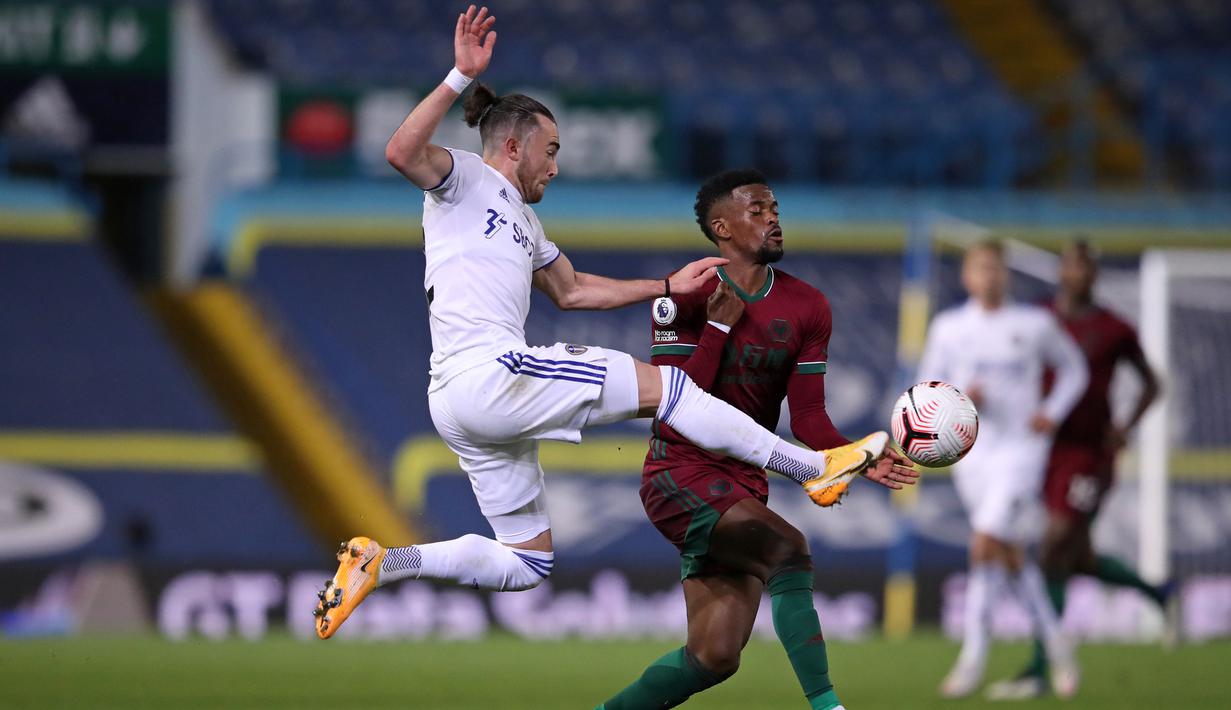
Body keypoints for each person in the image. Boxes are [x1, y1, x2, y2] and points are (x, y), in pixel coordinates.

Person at [312, 6, 890, 639]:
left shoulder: (526, 224)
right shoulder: (464, 177)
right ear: (514, 146)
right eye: (551, 151)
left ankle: (384, 563)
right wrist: (459, 75)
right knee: (671, 390)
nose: (555, 168)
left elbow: (573, 289)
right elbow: (400, 151)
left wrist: (665, 287)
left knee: (526, 561)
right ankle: (814, 470)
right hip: (489, 373)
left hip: (458, 400)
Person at [595, 170, 919, 710]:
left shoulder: (808, 306)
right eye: (758, 211)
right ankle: (828, 706)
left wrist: (859, 455)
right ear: (721, 227)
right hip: (680, 472)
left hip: (744, 482)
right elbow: (673, 408)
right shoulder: (682, 294)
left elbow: (809, 418)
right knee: (788, 548)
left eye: (775, 210)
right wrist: (718, 328)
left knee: (714, 656)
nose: (773, 219)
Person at [986, 240, 1169, 700]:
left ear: (1094, 274)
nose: (1077, 274)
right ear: (1061, 271)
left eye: (1085, 267)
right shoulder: (1038, 318)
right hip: (1042, 451)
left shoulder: (1114, 329)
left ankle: (1040, 668)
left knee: (1053, 546)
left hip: (1090, 455)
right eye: (1070, 265)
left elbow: (1152, 383)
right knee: (1076, 558)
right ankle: (1161, 594)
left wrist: (1126, 426)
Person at [917, 240, 1089, 699]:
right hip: (972, 455)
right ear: (967, 276)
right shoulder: (949, 328)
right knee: (1007, 554)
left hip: (1021, 451)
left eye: (996, 268)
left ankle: (972, 658)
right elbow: (926, 389)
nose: (989, 276)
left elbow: (1074, 369)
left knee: (984, 543)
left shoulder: (1033, 324)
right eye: (981, 268)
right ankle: (1058, 643)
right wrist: (960, 396)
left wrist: (1052, 411)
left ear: (1005, 274)